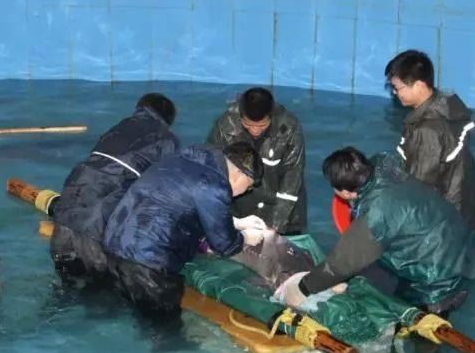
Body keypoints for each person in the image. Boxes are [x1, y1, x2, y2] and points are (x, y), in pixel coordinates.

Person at [278, 147, 475, 316]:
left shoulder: (376, 215)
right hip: (465, 247)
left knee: (423, 331)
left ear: (346, 193)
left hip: (441, 274)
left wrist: (303, 288)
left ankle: (431, 339)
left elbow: (341, 263)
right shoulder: (387, 165)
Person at [101, 142, 266, 316]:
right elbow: (224, 245)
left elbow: (178, 204)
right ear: (240, 173)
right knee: (164, 325)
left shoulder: (185, 158)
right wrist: (245, 237)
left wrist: (236, 222)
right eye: (248, 186)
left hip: (112, 247)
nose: (245, 191)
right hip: (147, 263)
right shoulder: (214, 185)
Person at [48, 93, 180, 279]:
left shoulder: (119, 128)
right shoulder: (167, 140)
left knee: (67, 278)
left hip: (68, 203)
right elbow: (167, 194)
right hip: (98, 228)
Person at [384, 50, 475, 234]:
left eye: (397, 87)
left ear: (418, 85)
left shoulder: (427, 131)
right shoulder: (446, 105)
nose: (394, 92)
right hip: (469, 209)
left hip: (447, 223)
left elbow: (420, 187)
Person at [207, 87, 306, 234]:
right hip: (240, 210)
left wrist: (276, 226)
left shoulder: (290, 128)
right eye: (248, 124)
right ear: (240, 116)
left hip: (283, 211)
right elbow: (212, 171)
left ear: (271, 116)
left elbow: (292, 177)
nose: (255, 130)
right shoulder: (224, 126)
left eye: (262, 125)